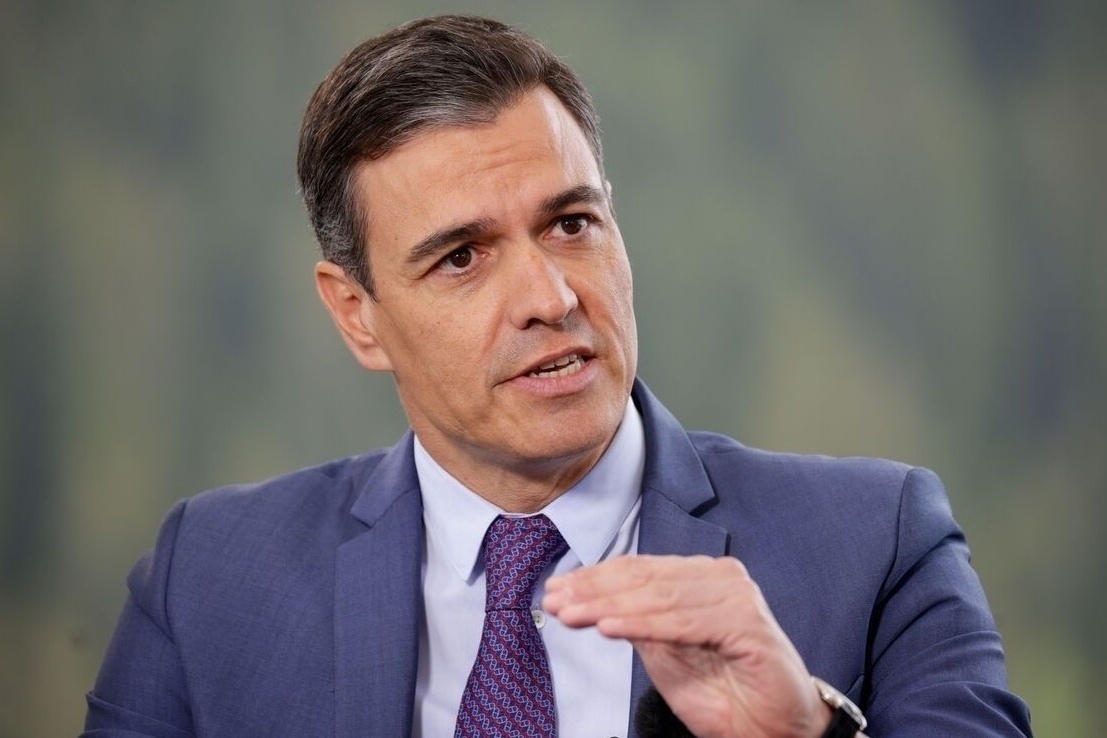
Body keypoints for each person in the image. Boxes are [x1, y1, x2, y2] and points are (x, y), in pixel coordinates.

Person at [83, 14, 1033, 738]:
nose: (550, 296)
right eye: (461, 257)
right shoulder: (210, 579)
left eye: (571, 224)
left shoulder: (877, 542)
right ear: (356, 314)